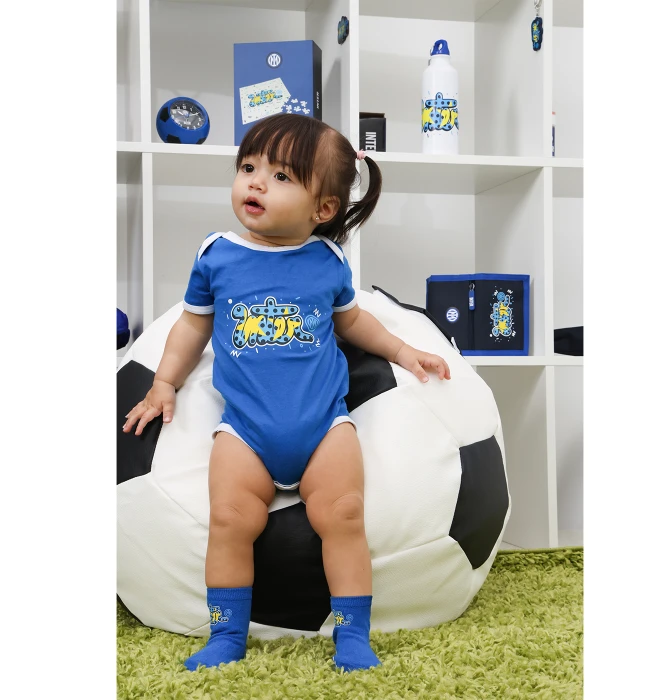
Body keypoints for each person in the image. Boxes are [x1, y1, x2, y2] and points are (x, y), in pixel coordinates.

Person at [122, 113, 451, 673]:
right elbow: (192, 326)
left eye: (280, 177)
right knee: (229, 519)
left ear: (323, 208)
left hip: (324, 426)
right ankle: (227, 633)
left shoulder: (327, 262)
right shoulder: (217, 255)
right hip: (244, 430)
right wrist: (163, 382)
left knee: (345, 514)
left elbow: (352, 323)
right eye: (248, 167)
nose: (255, 182)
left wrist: (403, 351)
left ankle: (353, 635)